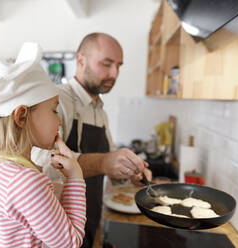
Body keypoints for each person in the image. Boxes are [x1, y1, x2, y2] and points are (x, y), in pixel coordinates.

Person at [0, 42, 87, 248]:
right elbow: (71, 242)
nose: (59, 120)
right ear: (21, 116)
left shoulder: (2, 166)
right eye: (54, 110)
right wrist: (76, 177)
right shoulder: (26, 181)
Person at [32, 32, 152, 248]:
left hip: (90, 219)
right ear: (80, 60)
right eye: (106, 64)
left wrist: (130, 173)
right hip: (57, 232)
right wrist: (104, 162)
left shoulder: (99, 110)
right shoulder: (57, 101)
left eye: (118, 66)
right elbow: (40, 165)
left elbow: (111, 158)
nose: (114, 73)